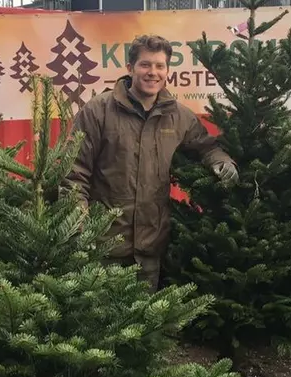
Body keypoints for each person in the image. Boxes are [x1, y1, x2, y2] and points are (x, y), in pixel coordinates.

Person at [62, 34, 238, 292]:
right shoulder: (98, 110)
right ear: (130, 68)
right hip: (104, 247)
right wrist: (79, 227)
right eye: (145, 65)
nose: (152, 72)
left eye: (159, 66)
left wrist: (221, 163)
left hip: (151, 249)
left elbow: (205, 146)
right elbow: (74, 171)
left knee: (145, 326)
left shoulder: (178, 116)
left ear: (167, 71)